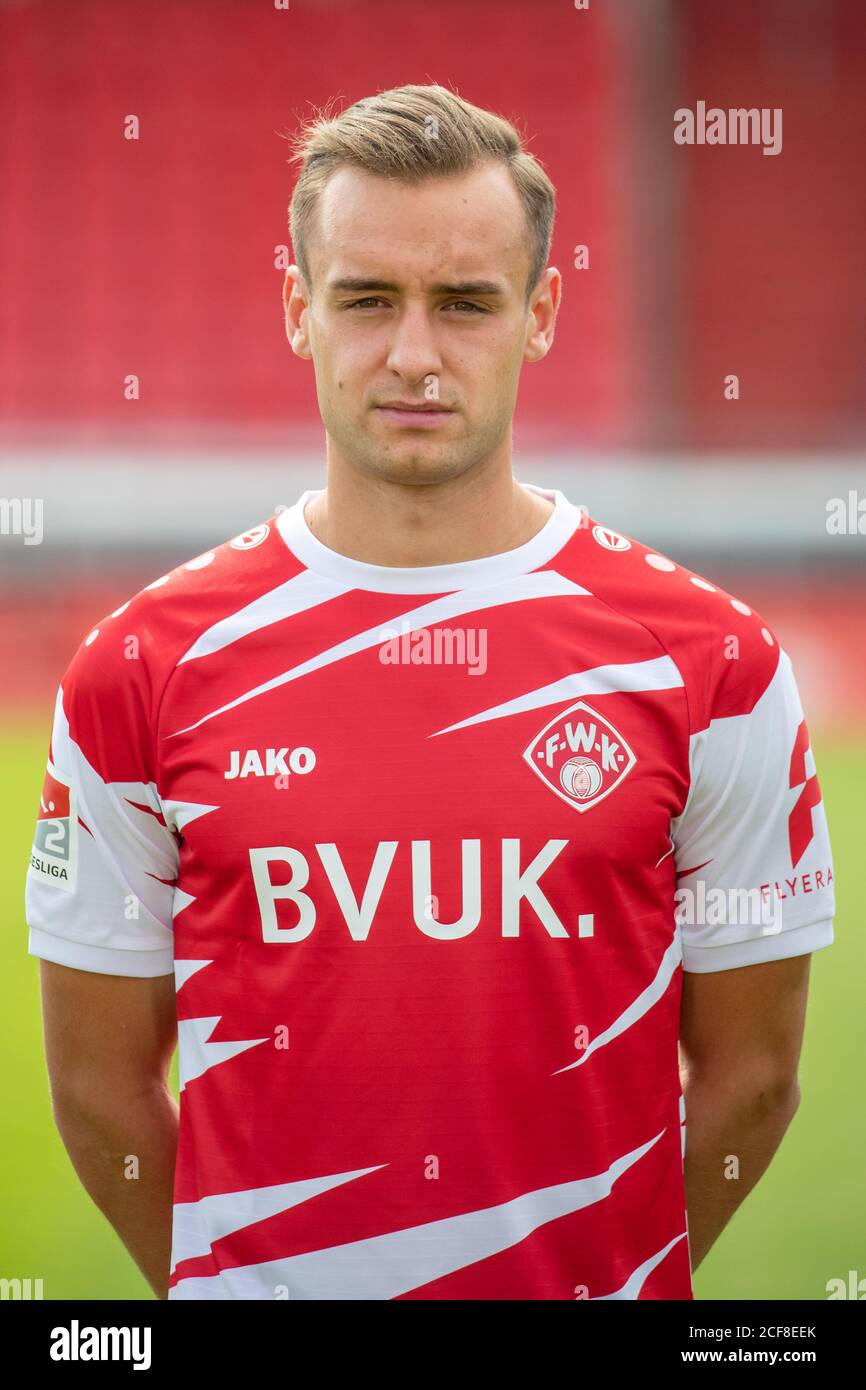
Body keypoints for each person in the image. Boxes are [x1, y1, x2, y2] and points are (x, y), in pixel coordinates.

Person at [25, 83, 834, 1300]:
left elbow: (754, 1077)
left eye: (464, 302)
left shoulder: (712, 664)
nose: (412, 354)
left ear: (541, 313)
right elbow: (96, 1088)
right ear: (299, 311)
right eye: (365, 300)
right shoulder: (140, 671)